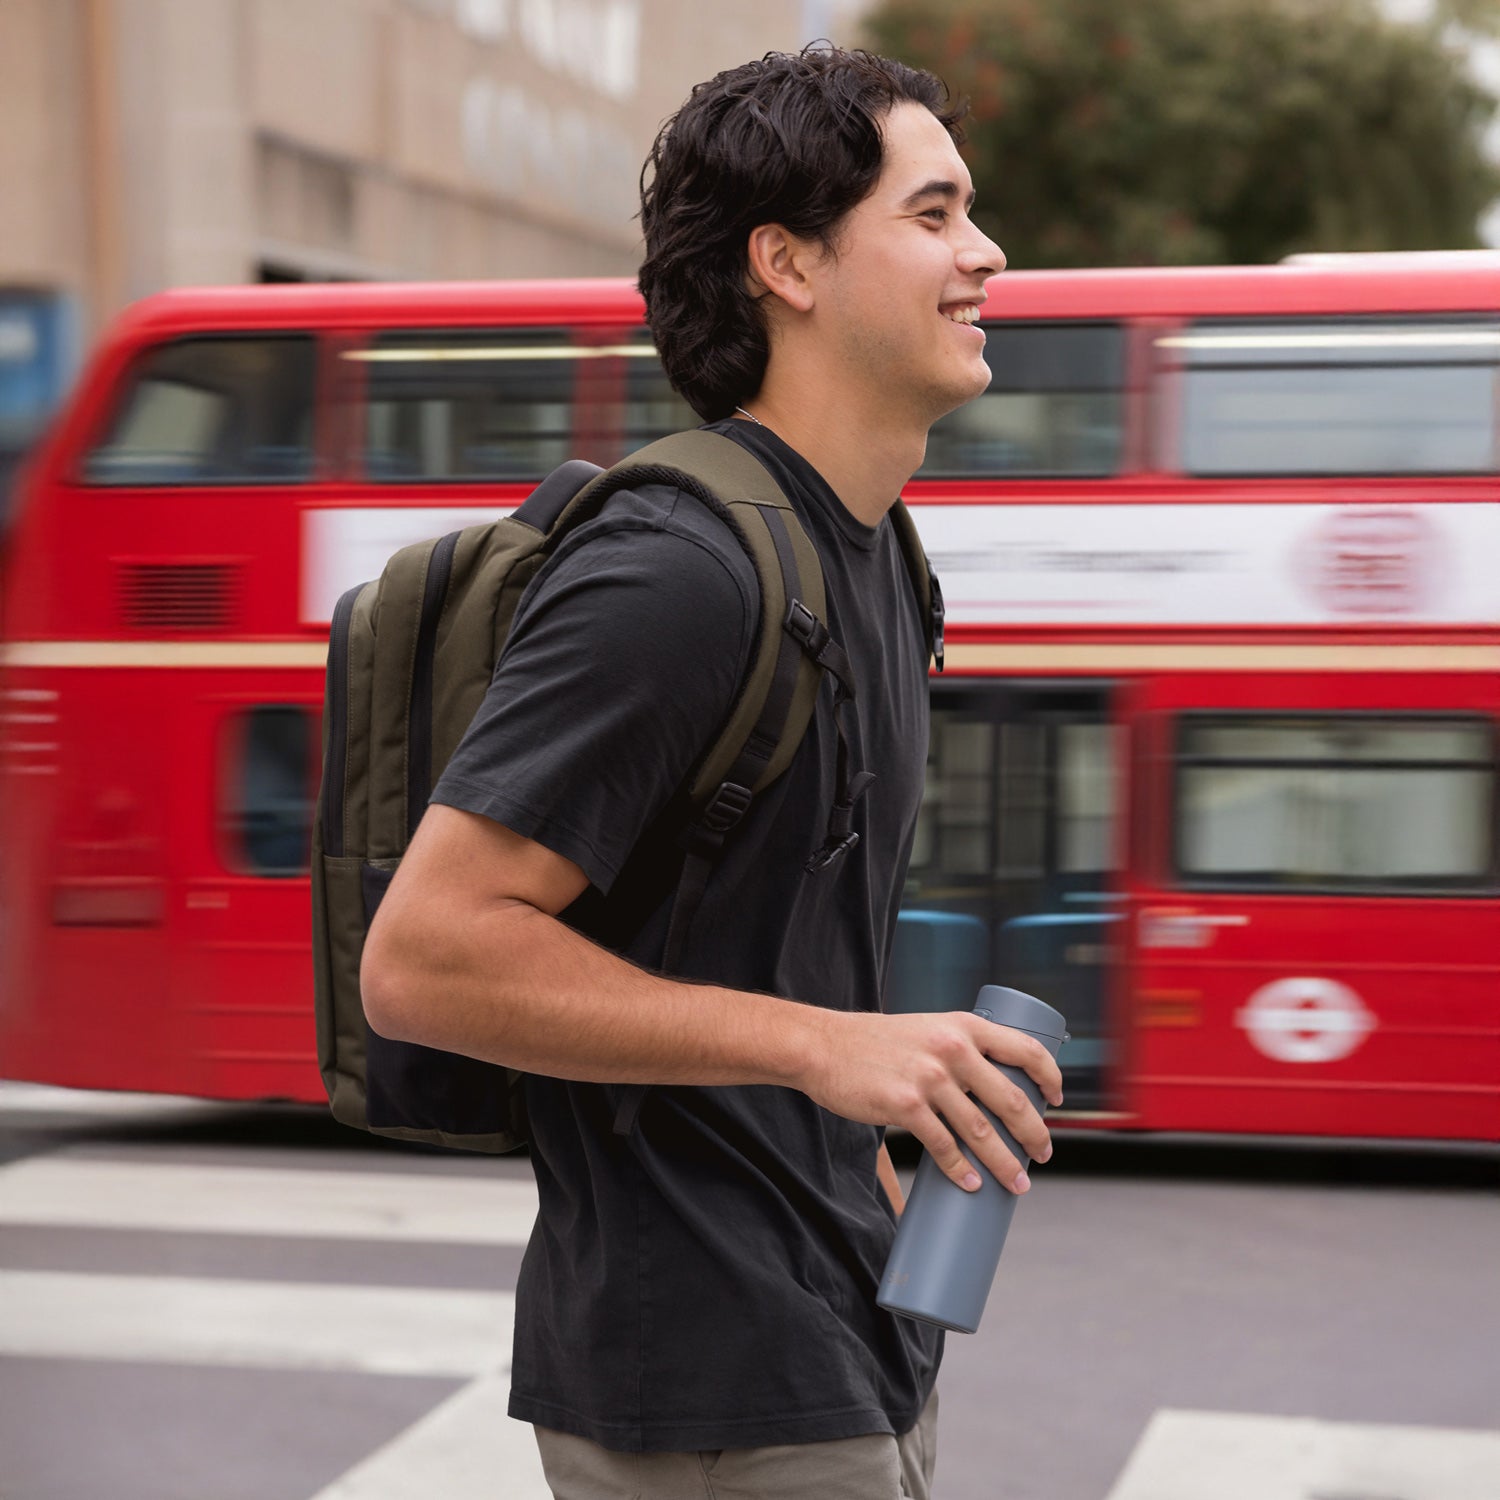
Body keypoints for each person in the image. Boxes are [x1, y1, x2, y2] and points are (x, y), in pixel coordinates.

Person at [361, 43, 1063, 1500]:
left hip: (854, 1321)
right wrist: (830, 1049)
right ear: (787, 264)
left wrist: (864, 1110)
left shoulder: (879, 561)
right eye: (931, 215)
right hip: (709, 1381)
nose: (984, 254)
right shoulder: (675, 574)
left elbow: (766, 925)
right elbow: (425, 959)